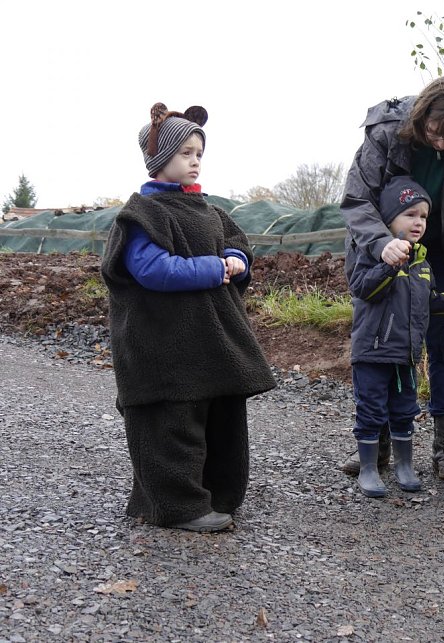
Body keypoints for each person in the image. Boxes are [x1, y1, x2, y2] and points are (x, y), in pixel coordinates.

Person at [101, 103, 276, 532]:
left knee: (220, 417)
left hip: (211, 341)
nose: (195, 160)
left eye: (199, 152)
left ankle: (218, 495)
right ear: (160, 161)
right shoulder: (143, 214)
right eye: (185, 153)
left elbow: (237, 244)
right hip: (163, 344)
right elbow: (152, 270)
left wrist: (236, 259)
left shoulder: (210, 211)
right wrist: (214, 268)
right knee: (171, 423)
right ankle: (178, 505)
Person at [340, 73, 444, 482]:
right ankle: (380, 443)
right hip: (382, 247)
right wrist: (380, 245)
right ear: (423, 114)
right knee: (383, 343)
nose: (442, 144)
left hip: (435, 252)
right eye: (436, 133)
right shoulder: (387, 131)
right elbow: (356, 199)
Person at [348, 176, 444, 498]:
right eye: (410, 215)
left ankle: (404, 465)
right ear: (388, 219)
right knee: (371, 409)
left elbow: (432, 298)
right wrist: (391, 264)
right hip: (373, 353)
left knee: (404, 409)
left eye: (423, 216)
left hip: (406, 356)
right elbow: (363, 288)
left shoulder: (422, 263)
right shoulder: (369, 254)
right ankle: (368, 466)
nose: (419, 222)